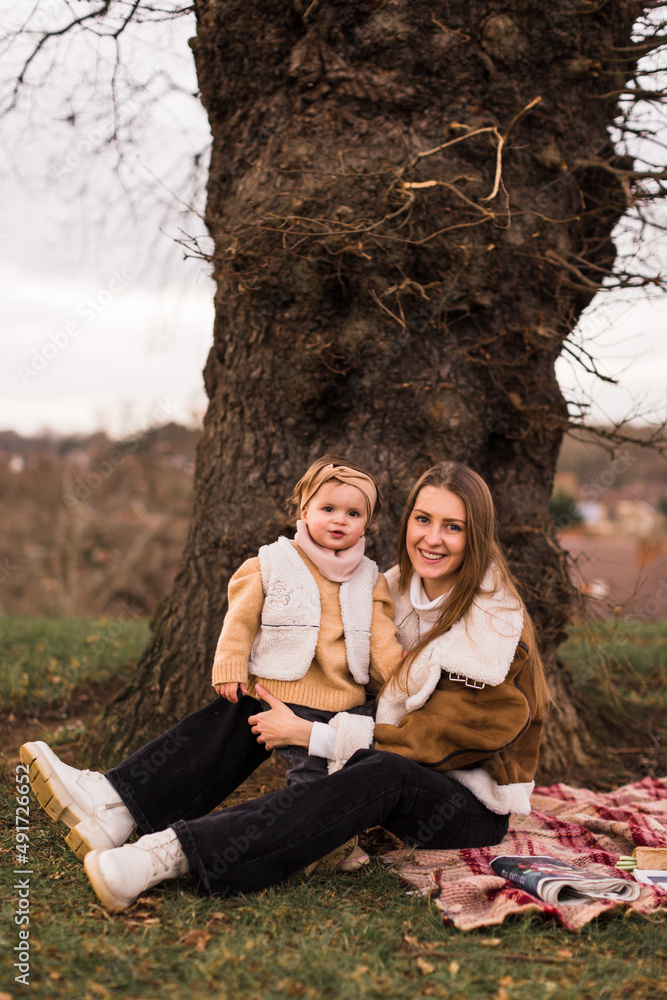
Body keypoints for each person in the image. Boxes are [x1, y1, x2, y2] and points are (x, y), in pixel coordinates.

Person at [21, 461, 549, 913]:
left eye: (453, 527)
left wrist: (309, 734)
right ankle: (116, 804)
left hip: (459, 802)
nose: (432, 538)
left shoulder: (494, 628)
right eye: (423, 519)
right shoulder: (389, 587)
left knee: (385, 773)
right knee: (268, 696)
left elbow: (431, 744)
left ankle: (168, 854)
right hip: (380, 748)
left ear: (476, 536)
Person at [21, 454, 403, 869]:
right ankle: (113, 808)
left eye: (353, 513)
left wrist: (402, 679)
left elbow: (382, 640)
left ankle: (321, 844)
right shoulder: (274, 562)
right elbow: (240, 620)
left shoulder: (370, 579)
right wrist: (230, 665)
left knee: (315, 775)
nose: (340, 520)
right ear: (305, 511)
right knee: (225, 729)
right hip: (276, 689)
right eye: (328, 508)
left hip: (341, 704)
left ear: (368, 524)